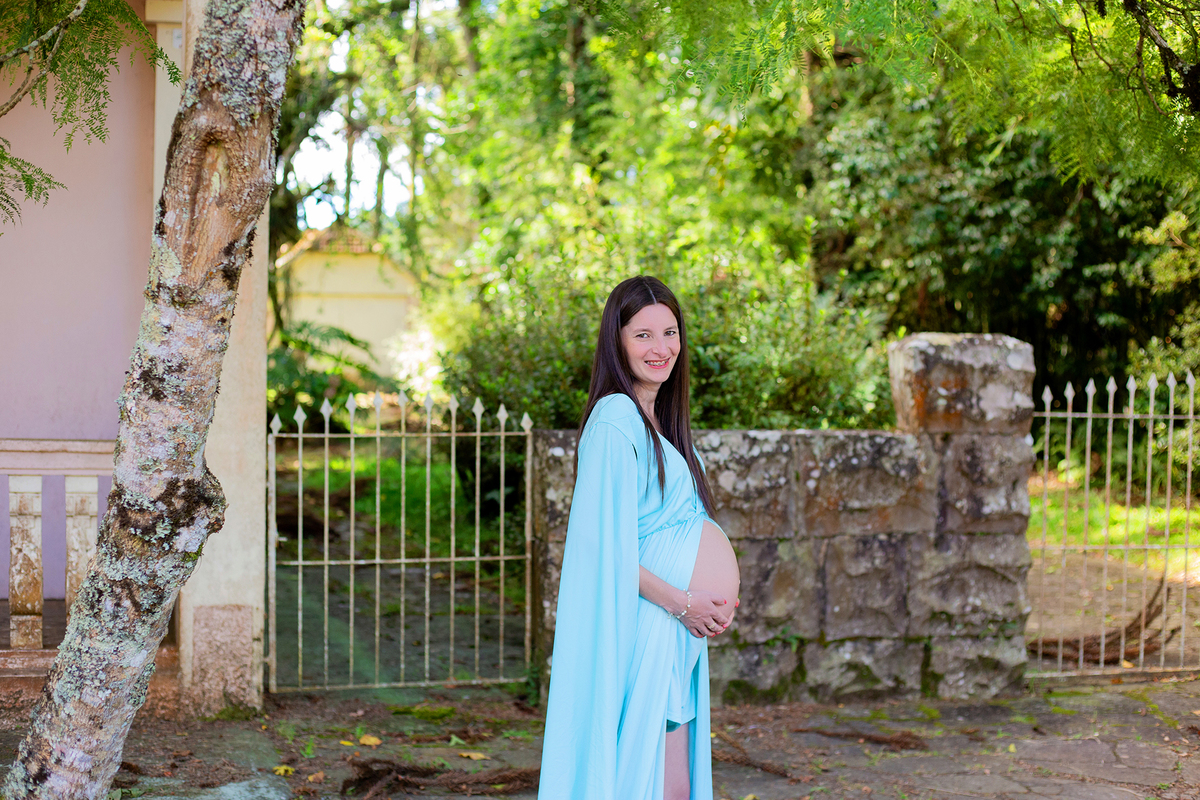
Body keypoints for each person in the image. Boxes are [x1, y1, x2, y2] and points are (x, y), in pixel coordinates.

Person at [538, 276, 741, 800]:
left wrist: (707, 604)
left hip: (676, 626)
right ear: (618, 341)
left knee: (671, 782)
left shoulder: (661, 422)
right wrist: (684, 603)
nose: (661, 348)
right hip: (654, 620)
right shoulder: (615, 419)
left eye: (670, 332)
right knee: (650, 780)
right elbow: (600, 548)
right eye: (643, 334)